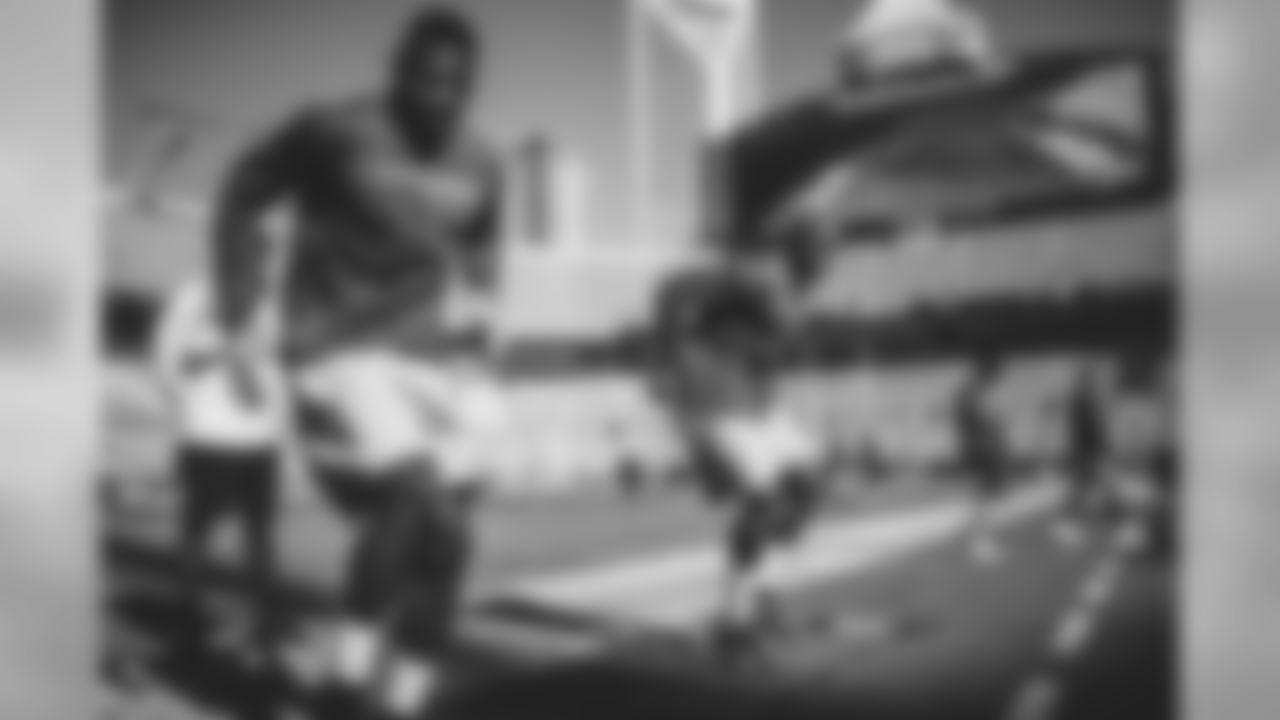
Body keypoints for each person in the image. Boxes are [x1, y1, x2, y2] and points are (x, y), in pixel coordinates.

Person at [208, 6, 504, 719]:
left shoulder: (483, 161)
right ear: (397, 72)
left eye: (458, 86)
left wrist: (479, 328)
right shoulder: (333, 130)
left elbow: (484, 245)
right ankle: (342, 694)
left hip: (425, 358)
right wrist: (240, 307)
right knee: (416, 500)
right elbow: (242, 192)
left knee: (449, 542)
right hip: (334, 344)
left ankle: (400, 702)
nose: (442, 97)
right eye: (428, 80)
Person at [654, 262, 827, 662]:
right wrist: (738, 280)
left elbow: (775, 343)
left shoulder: (763, 332)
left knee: (806, 486)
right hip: (715, 413)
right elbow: (673, 294)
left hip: (756, 412)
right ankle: (733, 624)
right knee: (762, 506)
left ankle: (765, 597)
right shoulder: (697, 327)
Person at [150, 276, 286, 668]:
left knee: (260, 536)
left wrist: (273, 414)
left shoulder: (267, 297)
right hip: (207, 436)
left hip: (259, 439)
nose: (260, 256)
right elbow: (167, 361)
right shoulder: (193, 294)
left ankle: (265, 632)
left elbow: (274, 363)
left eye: (264, 250)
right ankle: (188, 628)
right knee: (197, 532)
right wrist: (189, 410)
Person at [954, 353, 1009, 566]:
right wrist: (995, 426)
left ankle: (981, 541)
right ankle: (980, 544)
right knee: (983, 498)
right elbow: (983, 421)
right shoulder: (972, 393)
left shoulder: (971, 391)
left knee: (983, 498)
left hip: (979, 450)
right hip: (981, 451)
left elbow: (982, 421)